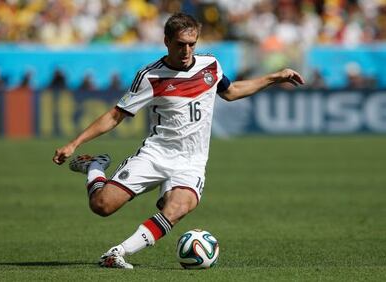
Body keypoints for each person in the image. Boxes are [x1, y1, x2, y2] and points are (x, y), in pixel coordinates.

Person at [52, 12, 304, 269]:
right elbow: (116, 115)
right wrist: (75, 143)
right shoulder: (150, 77)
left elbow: (231, 91)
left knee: (179, 207)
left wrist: (274, 77)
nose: (186, 50)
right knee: (102, 205)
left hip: (191, 161)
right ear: (166, 41)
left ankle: (117, 253)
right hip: (156, 154)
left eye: (192, 44)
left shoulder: (210, 66)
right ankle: (95, 166)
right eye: (180, 44)